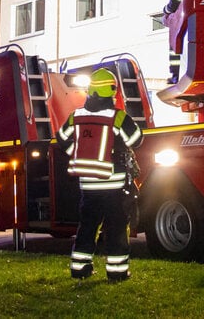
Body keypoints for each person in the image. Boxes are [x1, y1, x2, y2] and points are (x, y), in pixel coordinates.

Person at [56, 68, 143, 283]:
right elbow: (137, 140)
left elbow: (61, 139)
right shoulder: (118, 117)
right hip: (113, 186)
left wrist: (78, 152)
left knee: (87, 227)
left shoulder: (76, 116)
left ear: (90, 91)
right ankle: (117, 272)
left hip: (88, 186)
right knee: (116, 229)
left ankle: (79, 268)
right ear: (112, 92)